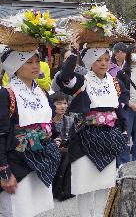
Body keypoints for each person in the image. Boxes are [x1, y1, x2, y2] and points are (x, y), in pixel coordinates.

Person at [56, 35, 129, 216]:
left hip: (109, 139)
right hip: (84, 139)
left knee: (104, 187)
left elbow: (120, 109)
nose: (103, 63)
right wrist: (74, 52)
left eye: (106, 59)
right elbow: (64, 77)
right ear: (89, 61)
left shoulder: (115, 82)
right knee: (85, 188)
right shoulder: (82, 81)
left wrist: (124, 131)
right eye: (98, 60)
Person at [0, 14, 62, 217]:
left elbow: (50, 122)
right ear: (16, 66)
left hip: (42, 161)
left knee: (36, 211)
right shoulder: (6, 93)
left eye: (37, 61)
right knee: (19, 211)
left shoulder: (42, 92)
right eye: (29, 62)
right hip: (17, 164)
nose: (36, 66)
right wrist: (4, 172)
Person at [50, 92, 76, 201]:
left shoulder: (70, 120)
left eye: (65, 103)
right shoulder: (46, 121)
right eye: (59, 103)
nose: (63, 106)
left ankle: (64, 189)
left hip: (65, 152)